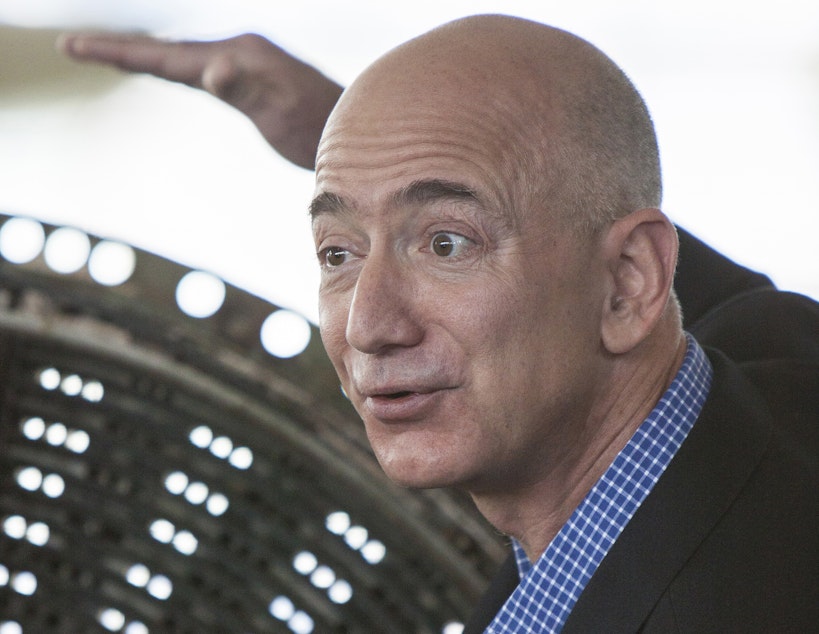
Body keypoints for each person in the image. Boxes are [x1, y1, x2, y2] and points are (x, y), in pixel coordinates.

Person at [60, 16, 818, 631]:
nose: (368, 326)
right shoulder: (783, 372)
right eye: (337, 251)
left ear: (629, 284)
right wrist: (371, 142)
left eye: (446, 244)